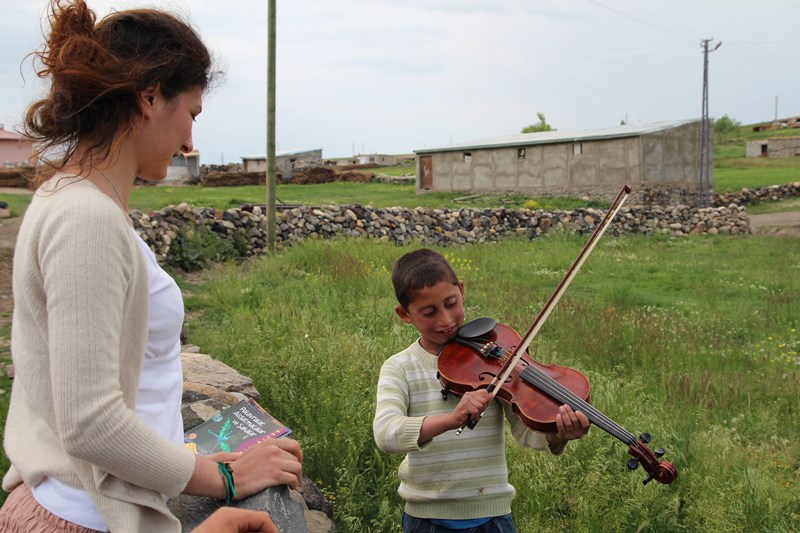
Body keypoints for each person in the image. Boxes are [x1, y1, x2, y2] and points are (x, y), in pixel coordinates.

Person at [0, 1, 302, 532]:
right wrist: (224, 482)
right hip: (82, 515)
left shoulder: (67, 198)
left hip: (75, 500)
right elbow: (90, 422)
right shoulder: (85, 218)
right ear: (148, 97)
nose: (190, 141)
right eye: (191, 113)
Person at [373, 248, 591, 532]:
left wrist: (557, 433)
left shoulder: (495, 355)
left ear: (462, 290)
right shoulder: (399, 367)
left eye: (451, 303)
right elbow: (386, 434)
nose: (446, 320)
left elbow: (526, 431)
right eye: (429, 312)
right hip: (426, 519)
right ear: (404, 314)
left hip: (493, 517)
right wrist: (451, 419)